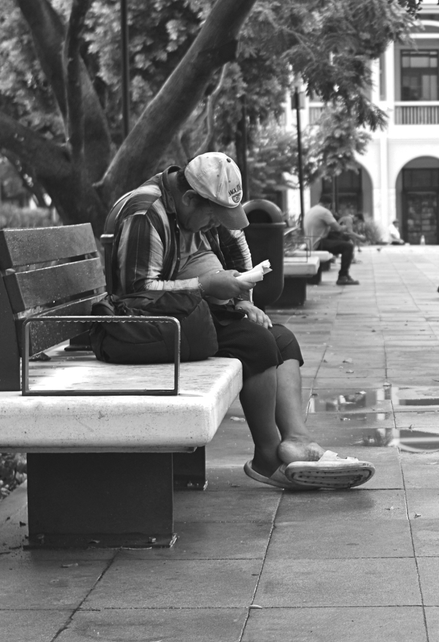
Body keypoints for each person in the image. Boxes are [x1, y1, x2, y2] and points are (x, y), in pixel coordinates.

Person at [104, 152, 341, 490]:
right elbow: (137, 291)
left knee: (280, 337)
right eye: (213, 215)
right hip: (149, 322)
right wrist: (204, 286)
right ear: (188, 199)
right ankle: (268, 455)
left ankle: (297, 440)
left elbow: (237, 249)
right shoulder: (147, 213)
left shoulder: (200, 211)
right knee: (256, 344)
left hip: (192, 311)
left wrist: (244, 300)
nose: (217, 223)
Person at [305, 195, 360, 285]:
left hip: (311, 241)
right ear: (328, 204)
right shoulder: (324, 212)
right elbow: (338, 228)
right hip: (318, 243)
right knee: (348, 247)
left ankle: (345, 273)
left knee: (343, 238)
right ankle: (343, 276)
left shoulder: (313, 209)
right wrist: (347, 227)